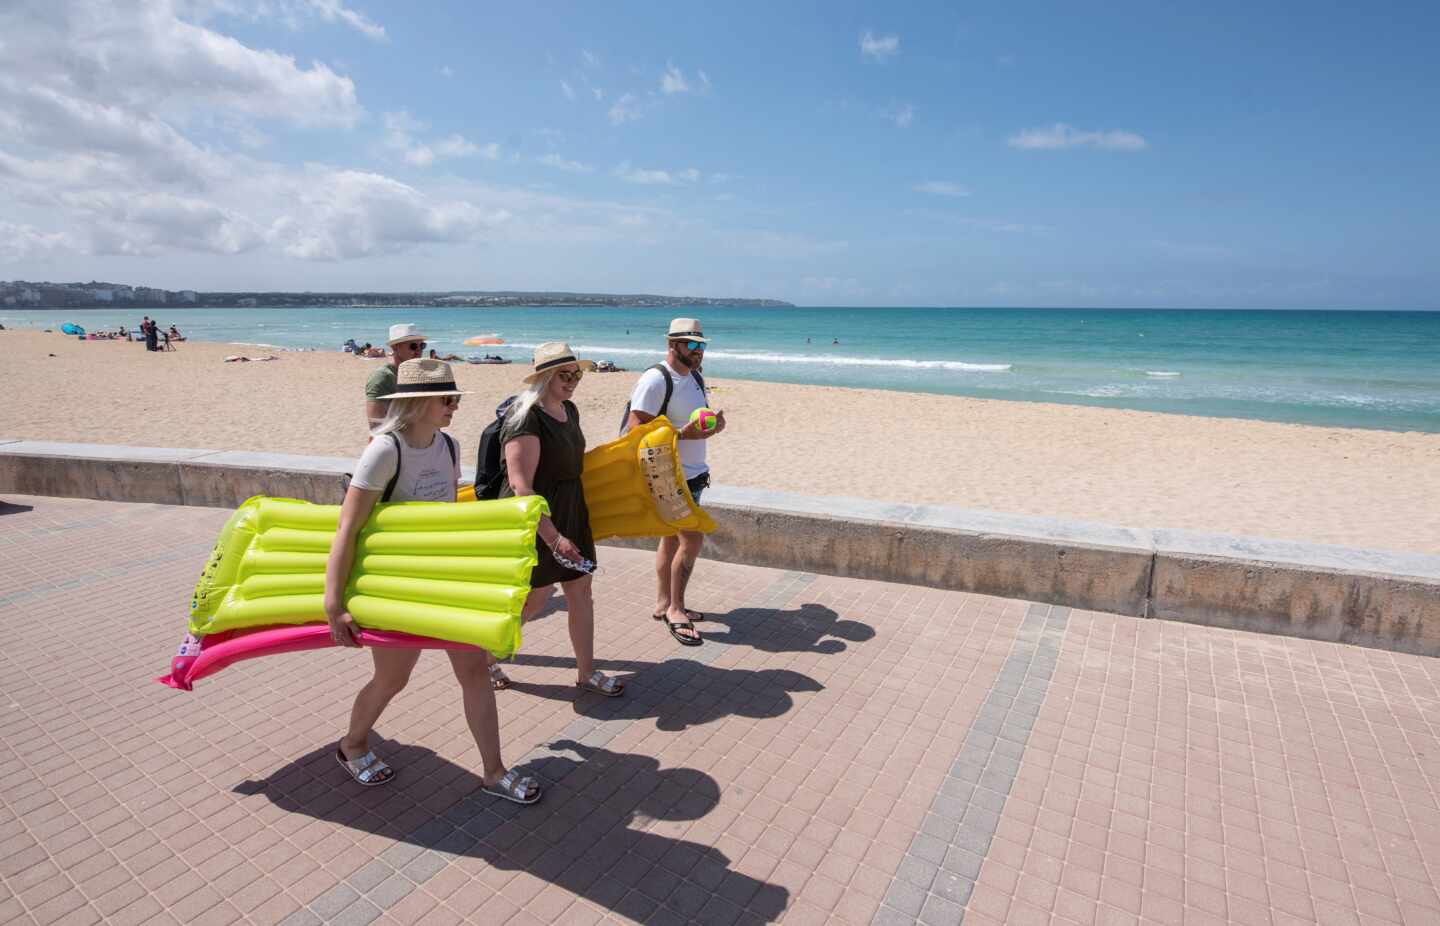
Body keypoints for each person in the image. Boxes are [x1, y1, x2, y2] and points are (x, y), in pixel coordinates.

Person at [325, 357, 540, 803]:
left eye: (456, 398)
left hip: (441, 582)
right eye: (448, 398)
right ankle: (352, 744)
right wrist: (334, 603)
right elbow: (348, 527)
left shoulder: (450, 446)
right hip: (395, 589)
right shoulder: (386, 450)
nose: (455, 405)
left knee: (475, 672)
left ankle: (494, 772)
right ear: (420, 402)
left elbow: (446, 517)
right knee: (392, 680)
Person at [488, 343, 623, 697]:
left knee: (581, 591)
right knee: (534, 598)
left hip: (571, 511)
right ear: (544, 377)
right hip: (538, 520)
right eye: (565, 375)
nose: (573, 380)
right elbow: (521, 486)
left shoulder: (569, 410)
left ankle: (586, 673)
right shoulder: (526, 418)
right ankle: (484, 656)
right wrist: (553, 537)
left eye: (576, 373)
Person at [623, 318, 726, 646]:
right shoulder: (656, 380)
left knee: (671, 540)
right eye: (692, 345)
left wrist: (712, 427)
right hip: (668, 477)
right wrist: (683, 434)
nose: (699, 351)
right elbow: (634, 433)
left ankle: (663, 603)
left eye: (702, 345)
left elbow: (694, 420)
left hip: (695, 473)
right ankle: (676, 610)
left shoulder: (695, 376)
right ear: (673, 345)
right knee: (692, 541)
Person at [364, 324, 428, 429]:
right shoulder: (382, 377)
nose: (418, 350)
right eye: (413, 346)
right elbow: (375, 425)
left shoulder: (418, 374)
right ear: (395, 347)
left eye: (422, 346)